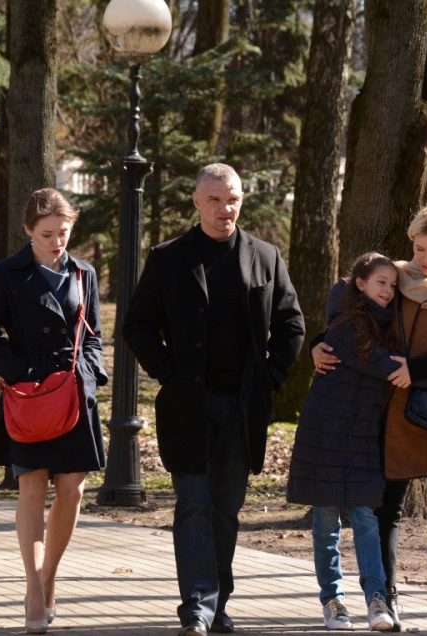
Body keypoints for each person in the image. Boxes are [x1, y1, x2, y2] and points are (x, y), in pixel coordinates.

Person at [123, 163, 305, 636]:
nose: (226, 209)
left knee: (226, 509)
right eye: (216, 200)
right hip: (189, 405)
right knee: (193, 504)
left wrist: (270, 377)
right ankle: (197, 608)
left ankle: (219, 603)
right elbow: (137, 326)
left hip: (243, 407)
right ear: (197, 202)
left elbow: (291, 324)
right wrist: (169, 373)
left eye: (233, 200)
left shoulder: (265, 255)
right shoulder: (168, 258)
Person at [313, 205, 427, 633]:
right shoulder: (394, 282)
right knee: (389, 508)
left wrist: (421, 369)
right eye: (420, 248)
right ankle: (386, 596)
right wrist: (317, 343)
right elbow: (349, 317)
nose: (426, 259)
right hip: (392, 408)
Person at [0, 188, 108, 634]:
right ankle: (34, 590)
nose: (57, 242)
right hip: (29, 394)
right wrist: (24, 372)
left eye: (64, 233)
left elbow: (93, 335)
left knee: (72, 491)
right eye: (47, 234)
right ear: (28, 231)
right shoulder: (5, 273)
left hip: (73, 394)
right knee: (32, 487)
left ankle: (49, 577)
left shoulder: (83, 273)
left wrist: (87, 374)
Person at [287, 253, 401, 632]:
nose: (388, 290)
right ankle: (333, 602)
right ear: (361, 284)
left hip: (364, 435)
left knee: (365, 518)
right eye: (381, 282)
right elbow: (380, 363)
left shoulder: (392, 321)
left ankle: (376, 600)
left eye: (393, 285)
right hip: (327, 434)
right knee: (325, 523)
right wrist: (421, 370)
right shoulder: (346, 324)